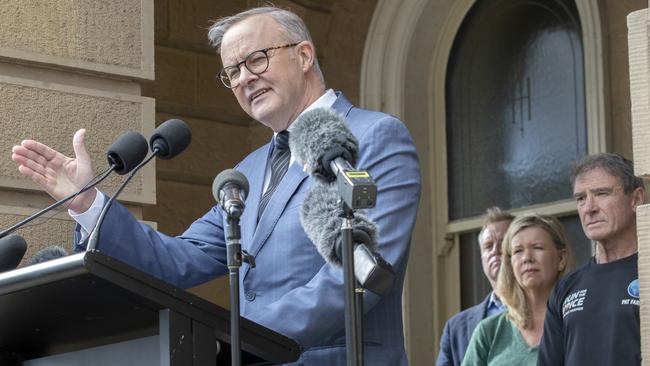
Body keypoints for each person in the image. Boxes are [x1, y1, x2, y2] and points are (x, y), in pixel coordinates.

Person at [11, 6, 421, 365]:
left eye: (256, 60)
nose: (245, 78)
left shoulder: (374, 136)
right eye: (233, 71)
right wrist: (88, 203)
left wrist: (234, 339)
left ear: (303, 55)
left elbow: (358, 274)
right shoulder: (248, 170)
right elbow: (178, 261)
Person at [537, 153, 644, 365]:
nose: (589, 208)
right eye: (581, 198)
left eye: (602, 193)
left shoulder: (647, 271)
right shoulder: (566, 287)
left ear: (636, 199)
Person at [462, 214, 572, 365]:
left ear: (561, 259)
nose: (527, 258)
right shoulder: (489, 331)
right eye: (518, 251)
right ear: (510, 264)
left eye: (537, 247)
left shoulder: (578, 324)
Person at [436, 207, 513, 366]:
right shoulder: (455, 328)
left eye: (504, 242)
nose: (495, 251)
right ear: (482, 257)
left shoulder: (547, 311)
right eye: (488, 246)